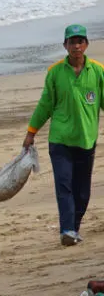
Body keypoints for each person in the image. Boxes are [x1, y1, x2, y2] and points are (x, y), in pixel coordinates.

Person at [23, 25, 104, 246]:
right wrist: (31, 132)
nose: (76, 46)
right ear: (65, 45)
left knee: (83, 192)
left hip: (86, 140)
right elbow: (45, 106)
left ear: (86, 44)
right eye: (72, 41)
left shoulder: (98, 71)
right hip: (59, 141)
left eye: (80, 41)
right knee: (64, 185)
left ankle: (73, 228)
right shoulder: (56, 72)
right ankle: (67, 229)